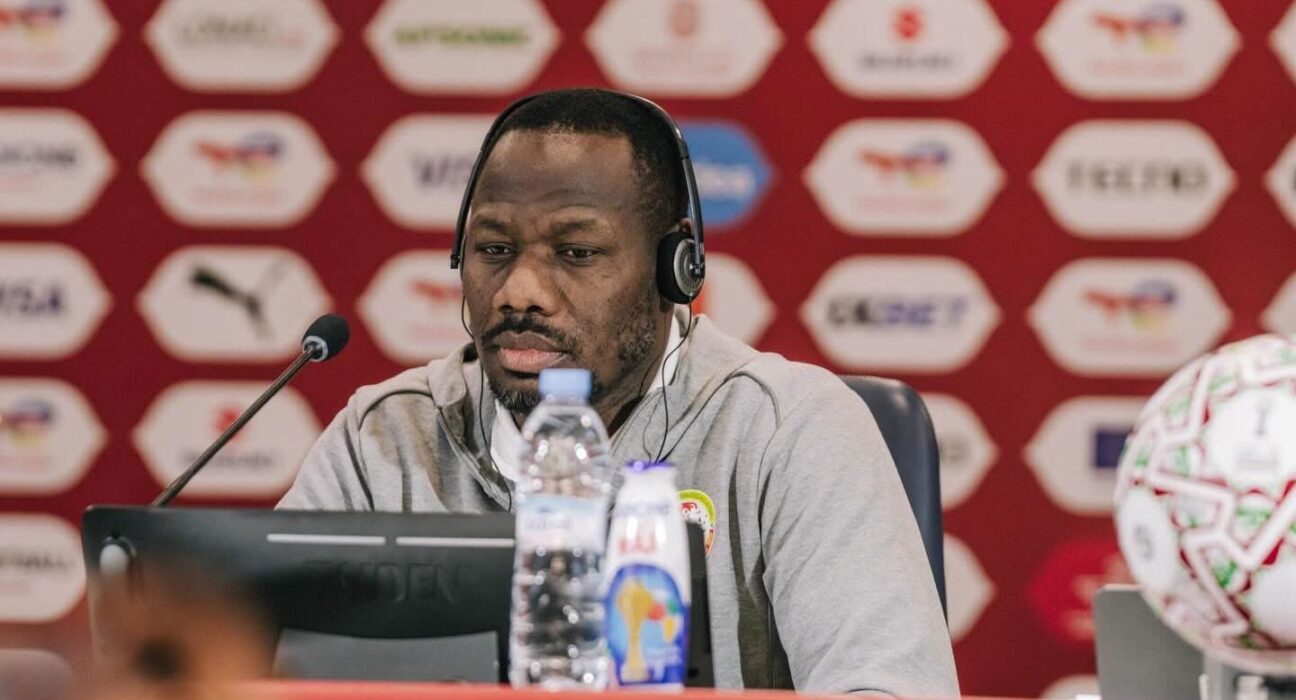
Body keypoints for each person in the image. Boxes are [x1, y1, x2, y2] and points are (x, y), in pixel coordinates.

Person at [279, 88, 958, 696]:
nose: (519, 292)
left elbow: (888, 689)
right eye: (493, 250)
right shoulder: (384, 439)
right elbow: (243, 669)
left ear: (676, 267)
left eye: (576, 253)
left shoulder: (789, 430)